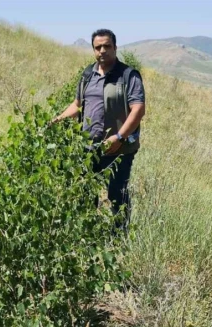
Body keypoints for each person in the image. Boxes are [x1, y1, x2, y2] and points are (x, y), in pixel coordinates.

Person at [53, 29, 146, 232]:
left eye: (107, 46)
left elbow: (138, 110)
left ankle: (119, 238)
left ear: (115, 47)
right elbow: (77, 104)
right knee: (86, 194)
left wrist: (120, 137)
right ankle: (88, 235)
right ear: (93, 50)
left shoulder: (128, 75)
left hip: (119, 149)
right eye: (98, 47)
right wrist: (57, 119)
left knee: (116, 194)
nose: (102, 51)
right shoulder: (88, 74)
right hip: (89, 147)